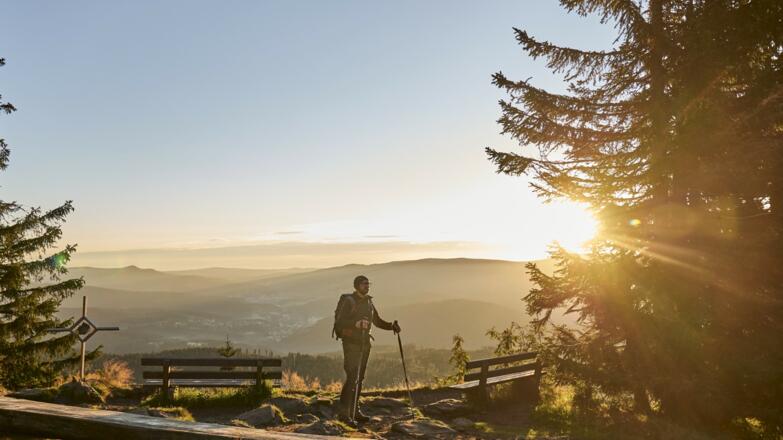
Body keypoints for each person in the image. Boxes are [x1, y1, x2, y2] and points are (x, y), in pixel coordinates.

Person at [334, 275, 401, 423]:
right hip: (351, 344)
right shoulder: (349, 301)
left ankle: (355, 411)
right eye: (364, 284)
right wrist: (355, 324)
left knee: (359, 379)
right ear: (357, 285)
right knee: (352, 377)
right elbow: (340, 323)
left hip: (365, 344)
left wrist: (391, 326)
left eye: (368, 284)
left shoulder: (369, 302)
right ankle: (344, 414)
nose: (367, 286)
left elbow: (376, 321)